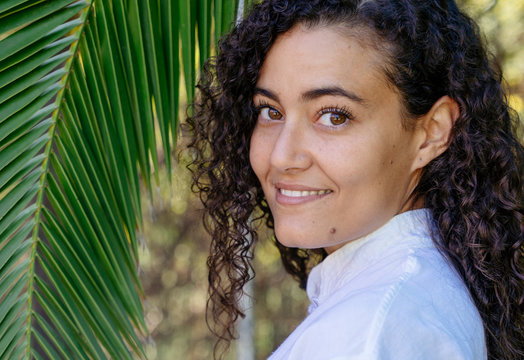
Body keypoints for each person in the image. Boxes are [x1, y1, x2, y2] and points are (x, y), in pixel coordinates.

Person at [186, 0, 524, 359]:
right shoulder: (419, 295)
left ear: (432, 133)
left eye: (333, 116)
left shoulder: (364, 332)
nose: (281, 156)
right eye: (271, 112)